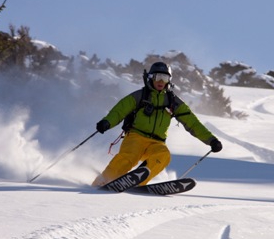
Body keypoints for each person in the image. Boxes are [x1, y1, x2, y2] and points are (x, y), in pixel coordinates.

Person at [92, 62, 223, 187]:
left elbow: (193, 123)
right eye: (158, 77)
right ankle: (104, 181)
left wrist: (211, 140)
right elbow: (119, 111)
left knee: (163, 156)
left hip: (157, 142)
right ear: (151, 78)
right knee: (128, 157)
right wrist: (107, 122)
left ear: (169, 80)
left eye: (165, 78)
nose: (161, 81)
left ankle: (138, 180)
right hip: (135, 137)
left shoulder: (173, 102)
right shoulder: (140, 96)